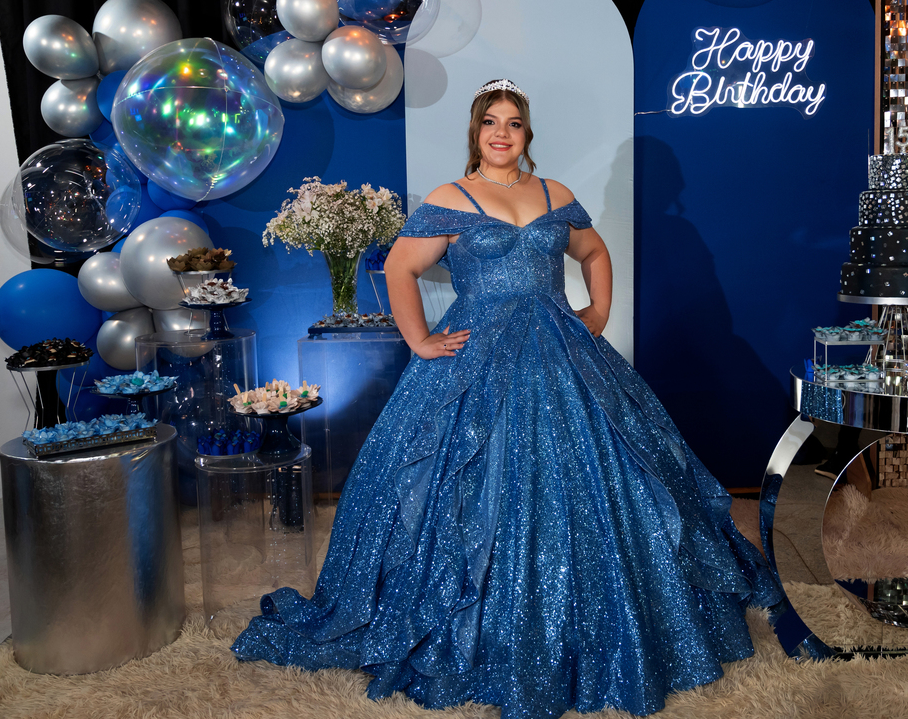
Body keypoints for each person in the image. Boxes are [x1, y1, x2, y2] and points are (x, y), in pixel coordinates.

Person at [232, 79, 781, 719]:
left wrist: (598, 310)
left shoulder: (556, 195)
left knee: (614, 473)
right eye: (491, 122)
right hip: (479, 359)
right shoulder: (450, 197)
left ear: (526, 133)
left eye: (513, 123)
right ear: (476, 132)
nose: (502, 132)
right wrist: (419, 339)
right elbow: (400, 268)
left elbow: (594, 252)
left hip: (562, 354)